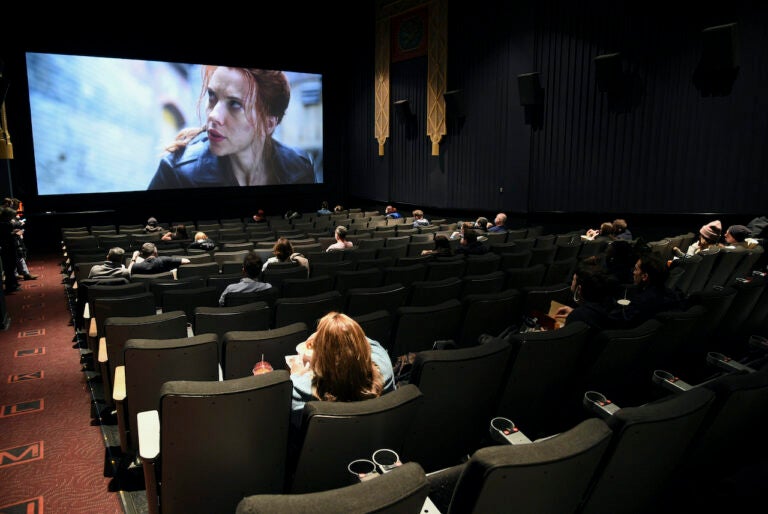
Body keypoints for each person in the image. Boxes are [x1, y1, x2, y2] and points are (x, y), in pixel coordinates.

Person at [148, 67, 316, 189]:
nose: (213, 115)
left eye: (235, 104)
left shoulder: (299, 168)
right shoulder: (178, 173)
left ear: (268, 124)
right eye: (212, 96)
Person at [288, 311, 396, 428]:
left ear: (323, 359)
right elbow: (365, 342)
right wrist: (341, 335)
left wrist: (295, 374)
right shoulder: (383, 363)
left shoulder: (302, 390)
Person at [553, 259, 621, 331]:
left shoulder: (577, 317)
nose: (571, 284)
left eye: (573, 280)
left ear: (579, 289)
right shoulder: (609, 307)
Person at [620, 253, 685, 327]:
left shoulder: (639, 302)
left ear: (644, 276)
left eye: (636, 269)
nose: (633, 272)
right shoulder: (672, 295)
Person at [0, 207, 22, 293]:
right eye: (12, 216)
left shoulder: (6, 223)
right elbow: (4, 235)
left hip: (10, 246)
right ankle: (10, 286)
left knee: (12, 266)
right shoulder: (3, 223)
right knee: (9, 267)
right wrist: (13, 233)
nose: (13, 217)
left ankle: (14, 284)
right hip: (7, 247)